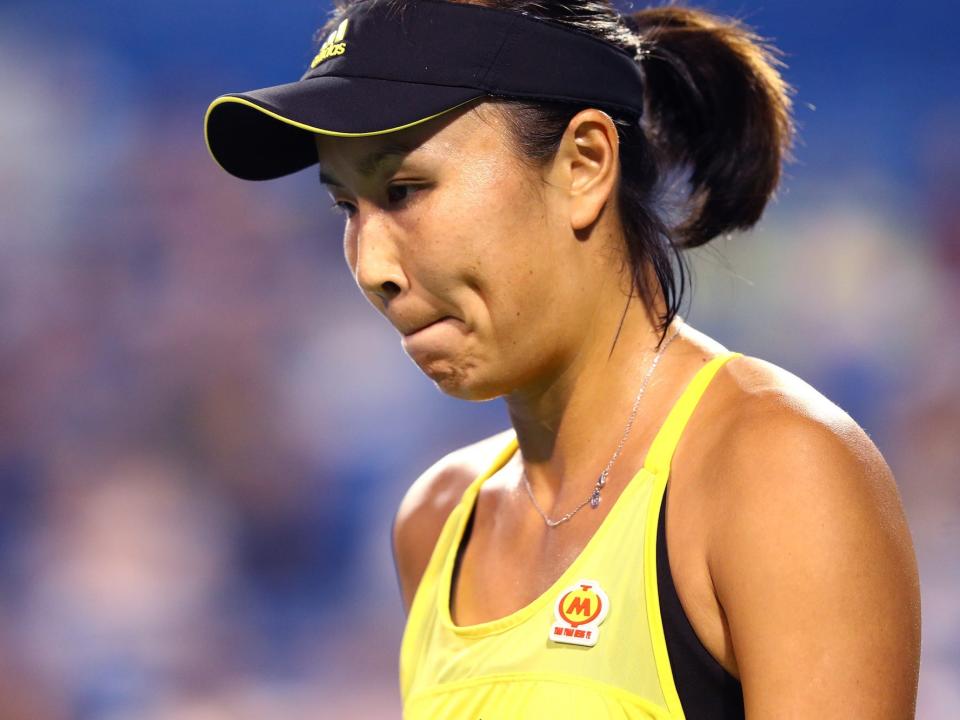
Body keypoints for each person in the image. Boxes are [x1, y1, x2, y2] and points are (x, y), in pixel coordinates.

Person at [203, 0, 921, 717]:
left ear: (584, 164)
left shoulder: (777, 471)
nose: (371, 265)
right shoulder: (438, 521)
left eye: (404, 189)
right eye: (347, 209)